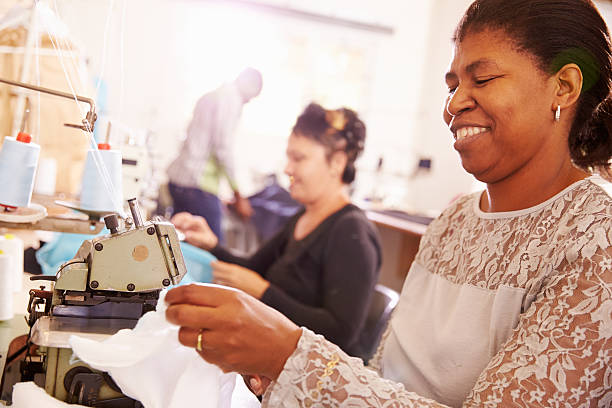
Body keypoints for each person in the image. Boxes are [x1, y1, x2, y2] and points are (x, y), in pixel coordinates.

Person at [165, 0, 612, 406]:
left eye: (484, 78)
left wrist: (291, 357)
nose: (454, 103)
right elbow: (385, 377)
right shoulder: (454, 220)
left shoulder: (596, 242)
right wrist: (283, 373)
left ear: (565, 86)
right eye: (452, 84)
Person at [171, 103, 382, 358]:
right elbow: (253, 269)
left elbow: (341, 332)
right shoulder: (302, 218)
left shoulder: (351, 233)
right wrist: (210, 245)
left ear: (336, 163)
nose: (287, 169)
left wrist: (262, 291)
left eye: (299, 158)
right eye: (289, 157)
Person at [166, 67, 262, 242]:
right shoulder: (231, 99)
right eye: (251, 96)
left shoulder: (213, 96)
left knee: (178, 245)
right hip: (196, 187)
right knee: (214, 248)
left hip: (180, 181)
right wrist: (238, 195)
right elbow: (222, 148)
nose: (248, 101)